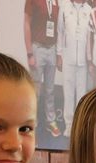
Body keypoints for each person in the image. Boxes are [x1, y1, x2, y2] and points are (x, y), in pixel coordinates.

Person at [24, 0, 62, 137]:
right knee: (35, 89)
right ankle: (32, 121)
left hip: (52, 48)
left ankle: (50, 121)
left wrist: (58, 54)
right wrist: (30, 53)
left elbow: (58, 28)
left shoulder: (56, 2)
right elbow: (26, 24)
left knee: (50, 89)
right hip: (38, 48)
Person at [56, 0, 93, 137]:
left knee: (81, 95)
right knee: (68, 93)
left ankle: (79, 126)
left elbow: (91, 37)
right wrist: (59, 54)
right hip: (68, 58)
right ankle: (69, 125)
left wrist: (89, 59)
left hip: (83, 61)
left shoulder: (89, 10)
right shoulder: (64, 7)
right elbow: (60, 32)